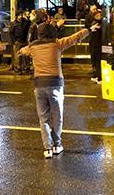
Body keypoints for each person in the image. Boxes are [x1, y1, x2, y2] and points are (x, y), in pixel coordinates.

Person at [21, 19, 99, 158]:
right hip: (56, 84)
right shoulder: (56, 44)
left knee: (44, 118)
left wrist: (22, 50)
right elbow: (75, 38)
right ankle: (57, 145)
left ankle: (47, 149)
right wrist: (89, 29)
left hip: (39, 85)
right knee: (57, 116)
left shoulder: (32, 47)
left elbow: (23, 50)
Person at [88, 10, 104, 83]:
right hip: (96, 46)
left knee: (97, 62)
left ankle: (97, 76)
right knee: (98, 62)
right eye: (98, 15)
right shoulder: (96, 24)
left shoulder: (98, 23)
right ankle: (99, 77)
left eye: (100, 15)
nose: (100, 17)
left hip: (96, 46)